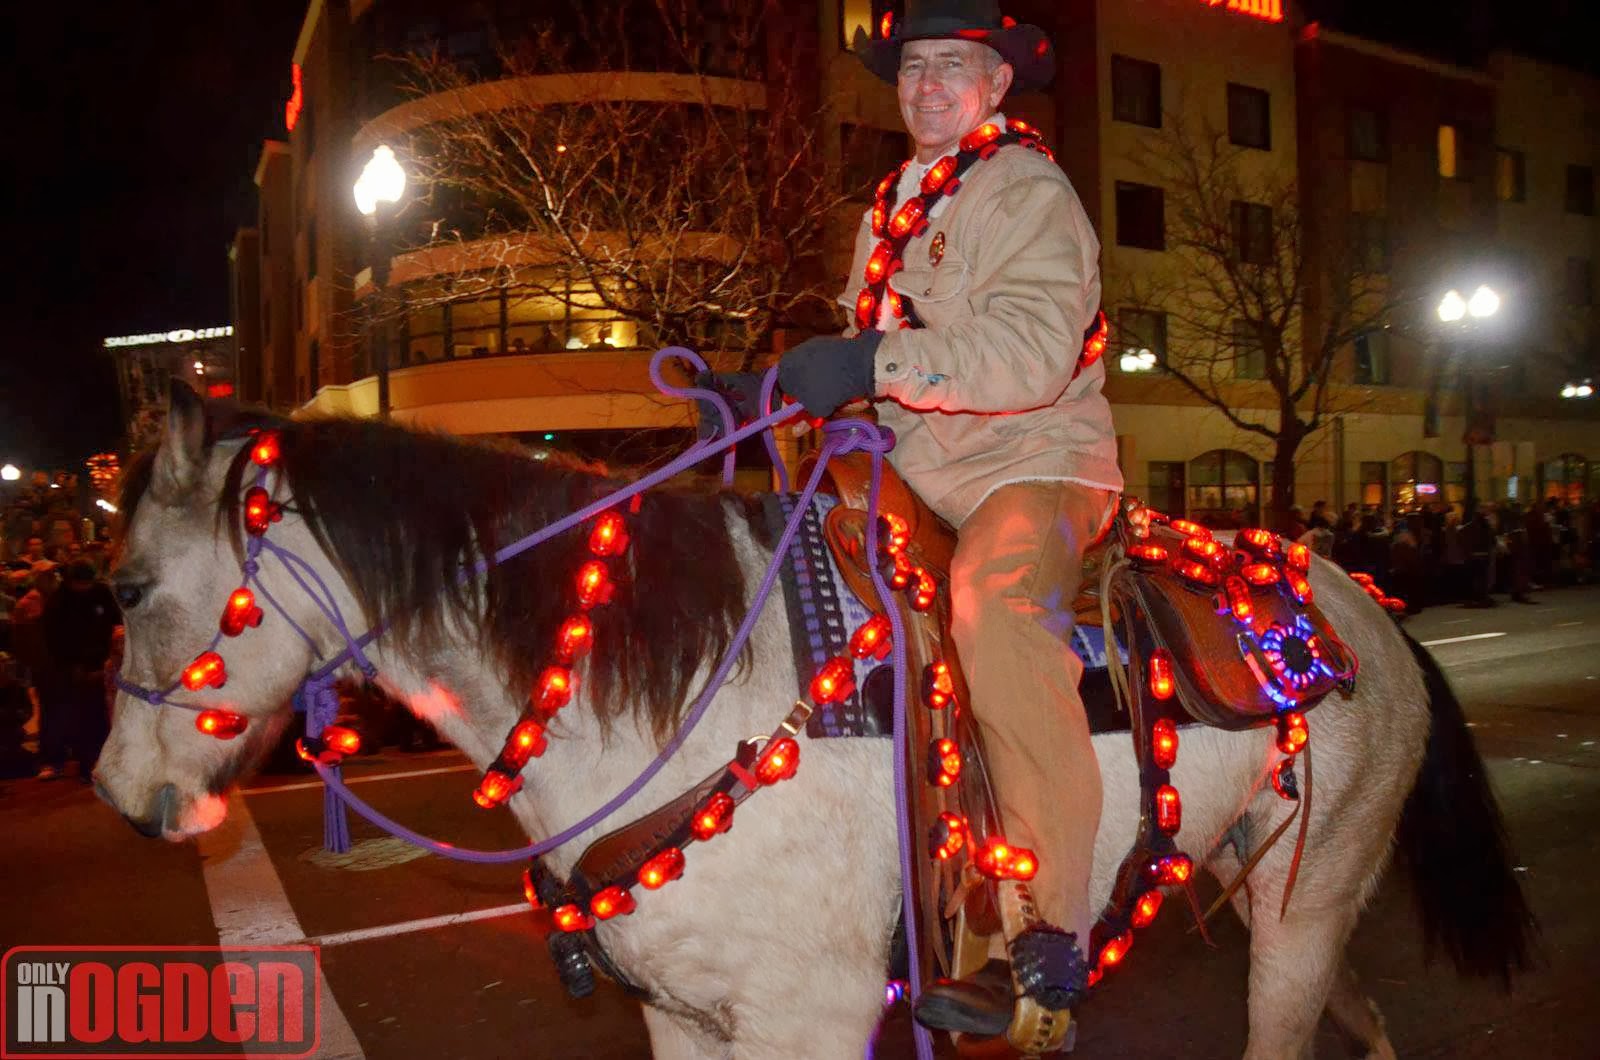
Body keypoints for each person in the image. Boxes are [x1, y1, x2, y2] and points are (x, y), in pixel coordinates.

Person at [778, 0, 1118, 1036]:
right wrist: (797, 385)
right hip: (921, 469)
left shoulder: (1026, 191)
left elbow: (1026, 357)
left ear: (996, 84)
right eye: (913, 67)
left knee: (992, 603)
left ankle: (1045, 934)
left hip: (1039, 465)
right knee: (782, 570)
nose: (926, 86)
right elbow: (873, 351)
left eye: (951, 67)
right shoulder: (890, 204)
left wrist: (872, 362)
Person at [39, 560, 120, 781]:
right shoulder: (59, 602)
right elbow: (55, 639)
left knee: (97, 714)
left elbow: (115, 620)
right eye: (80, 584)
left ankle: (96, 761)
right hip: (69, 666)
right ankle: (67, 761)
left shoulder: (101, 594)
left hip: (100, 663)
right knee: (72, 715)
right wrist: (73, 667)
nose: (84, 588)